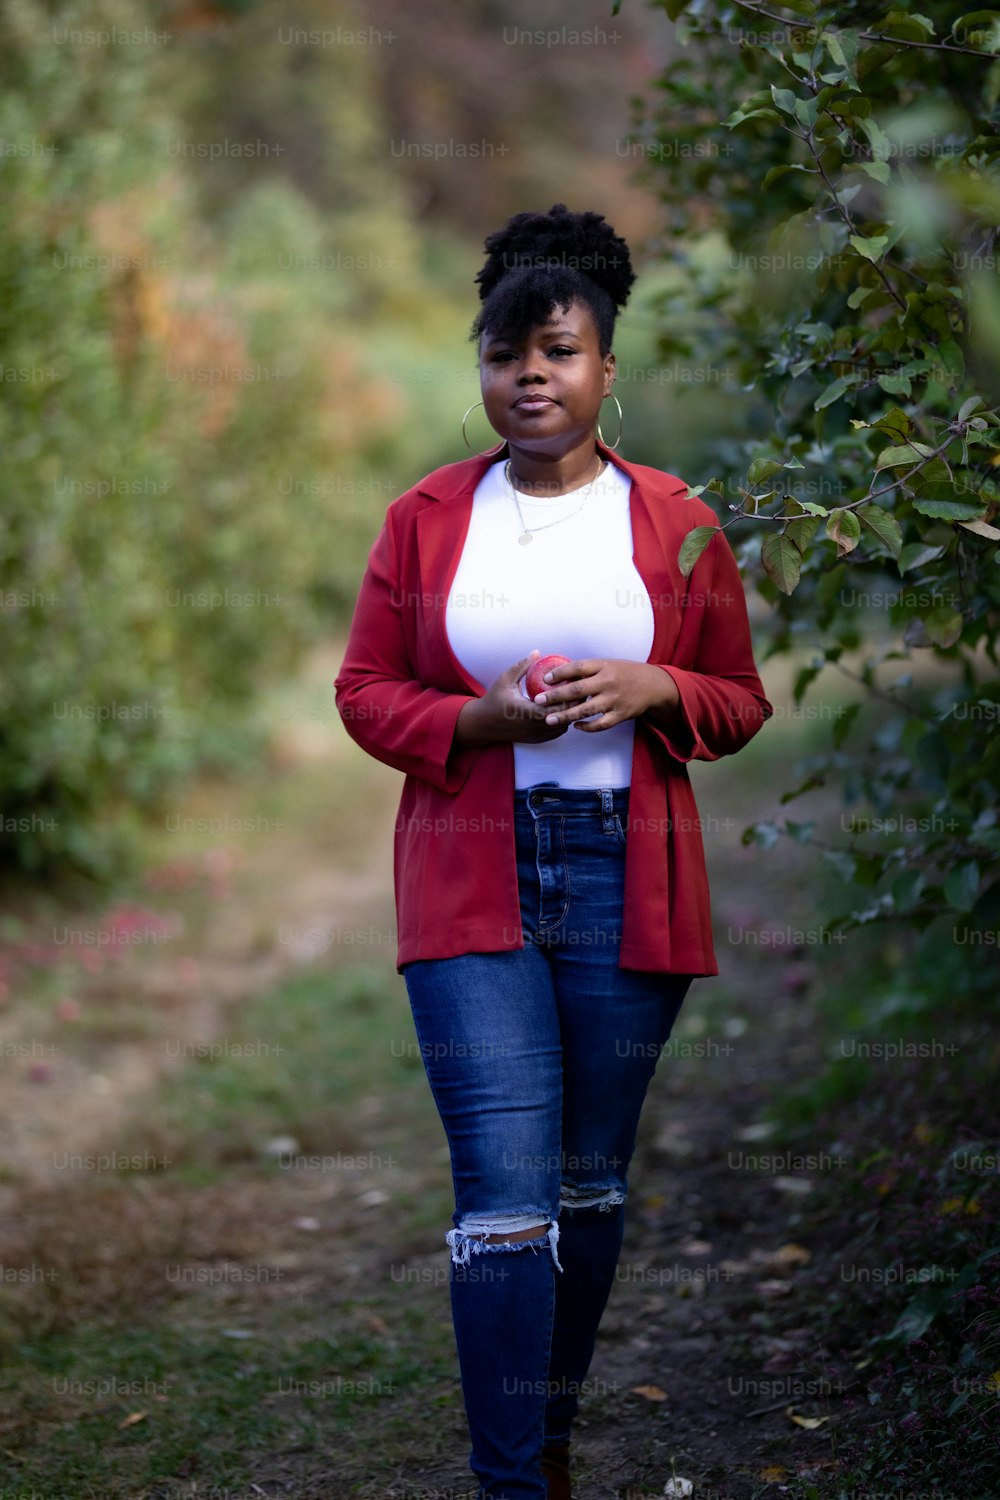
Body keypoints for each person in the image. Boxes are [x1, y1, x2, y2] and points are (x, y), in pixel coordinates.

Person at [334, 203, 773, 1500]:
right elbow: (364, 689)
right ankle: (512, 1482)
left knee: (588, 1190)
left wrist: (654, 688)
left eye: (559, 352)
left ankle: (557, 1429)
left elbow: (738, 699)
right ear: (481, 369)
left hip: (623, 879)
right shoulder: (424, 520)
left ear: (604, 371)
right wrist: (481, 719)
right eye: (504, 355)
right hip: (473, 875)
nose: (528, 375)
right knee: (506, 1203)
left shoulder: (677, 520)